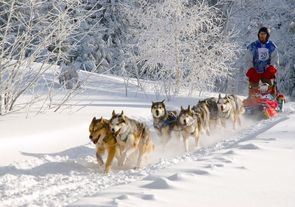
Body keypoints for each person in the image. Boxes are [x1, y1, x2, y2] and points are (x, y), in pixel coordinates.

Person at [245, 27, 279, 97]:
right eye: (261, 34)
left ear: (267, 35)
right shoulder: (253, 46)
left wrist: (271, 68)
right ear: (258, 35)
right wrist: (251, 69)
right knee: (253, 91)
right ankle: (251, 103)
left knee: (270, 89)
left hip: (266, 72)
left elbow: (275, 59)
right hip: (255, 72)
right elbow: (248, 59)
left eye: (264, 34)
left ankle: (272, 101)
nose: (262, 36)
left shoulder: (272, 46)